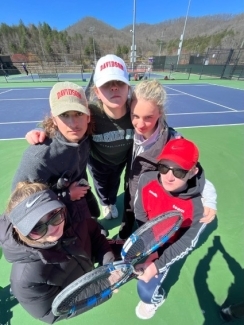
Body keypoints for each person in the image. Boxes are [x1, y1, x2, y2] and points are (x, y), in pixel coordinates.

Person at [26, 54, 134, 220]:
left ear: (128, 87)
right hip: (98, 161)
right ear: (96, 91)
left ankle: (111, 201)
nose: (114, 88)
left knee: (115, 182)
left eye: (120, 82)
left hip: (120, 161)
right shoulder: (89, 112)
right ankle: (106, 203)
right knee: (101, 185)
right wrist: (39, 132)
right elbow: (64, 122)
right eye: (107, 84)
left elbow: (153, 119)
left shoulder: (135, 112)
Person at [0, 181, 115, 323]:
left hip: (89, 264)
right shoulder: (24, 281)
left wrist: (109, 264)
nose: (52, 228)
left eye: (54, 214)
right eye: (37, 228)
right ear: (20, 232)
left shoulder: (72, 215)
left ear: (59, 205)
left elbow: (94, 233)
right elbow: (52, 312)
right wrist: (105, 285)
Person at [118, 79, 217, 240]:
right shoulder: (131, 132)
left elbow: (194, 173)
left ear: (160, 112)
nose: (140, 124)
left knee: (148, 232)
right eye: (135, 115)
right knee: (128, 215)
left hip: (151, 201)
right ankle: (124, 235)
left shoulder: (173, 142)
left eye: (148, 117)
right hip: (131, 191)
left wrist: (210, 200)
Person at [132, 138, 211, 319]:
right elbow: (140, 213)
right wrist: (149, 244)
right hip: (148, 238)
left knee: (146, 293)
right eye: (164, 167)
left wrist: (157, 264)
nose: (169, 176)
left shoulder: (199, 208)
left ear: (193, 172)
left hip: (168, 246)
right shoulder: (146, 180)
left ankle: (157, 297)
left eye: (179, 171)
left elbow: (185, 243)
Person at [12, 81, 100, 220]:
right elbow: (20, 203)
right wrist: (66, 195)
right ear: (54, 119)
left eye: (78, 113)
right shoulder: (38, 157)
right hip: (51, 218)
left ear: (88, 116)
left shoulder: (85, 138)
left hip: (76, 198)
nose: (73, 124)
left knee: (94, 218)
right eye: (64, 115)